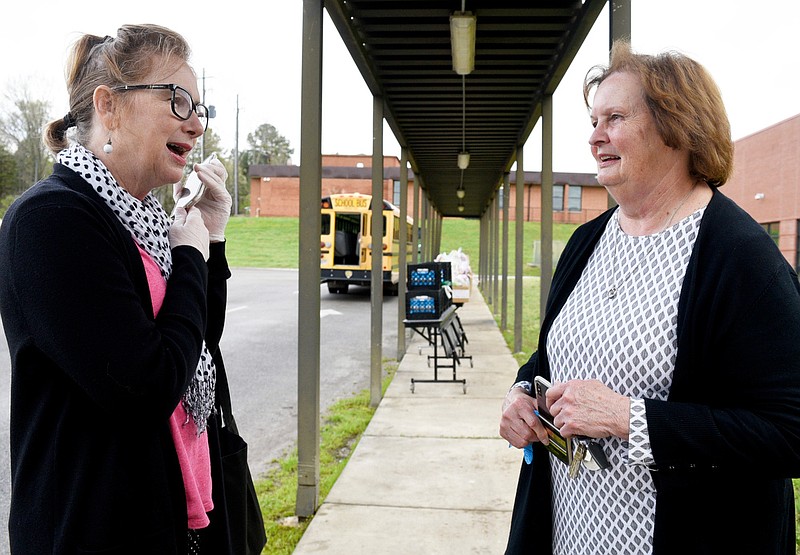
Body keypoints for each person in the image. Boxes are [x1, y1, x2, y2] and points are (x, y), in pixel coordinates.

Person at [499, 40, 800, 554]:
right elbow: (555, 353)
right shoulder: (587, 242)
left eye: (614, 118)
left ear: (676, 127)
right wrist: (523, 390)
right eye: (594, 121)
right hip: (568, 534)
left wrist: (628, 419)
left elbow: (788, 430)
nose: (595, 138)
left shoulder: (741, 257)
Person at [0, 24, 235, 554]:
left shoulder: (147, 222)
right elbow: (145, 387)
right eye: (178, 101)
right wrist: (190, 255)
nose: (196, 124)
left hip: (174, 517)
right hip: (96, 530)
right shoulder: (52, 219)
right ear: (110, 106)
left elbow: (201, 339)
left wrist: (209, 238)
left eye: (200, 107)